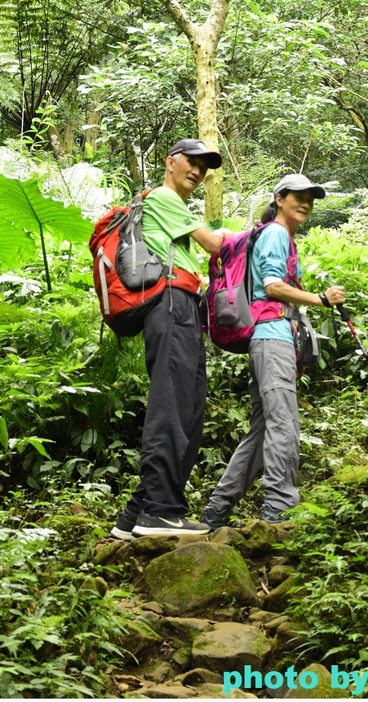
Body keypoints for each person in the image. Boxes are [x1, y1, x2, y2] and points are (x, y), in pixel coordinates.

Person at [201, 174, 346, 528]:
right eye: (298, 196)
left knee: (264, 427)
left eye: (310, 197)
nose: (306, 203)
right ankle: (279, 507)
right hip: (270, 338)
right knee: (284, 423)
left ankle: (217, 511)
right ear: (279, 198)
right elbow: (272, 286)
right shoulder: (277, 233)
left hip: (268, 339)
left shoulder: (276, 235)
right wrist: (320, 299)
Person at [111, 138, 227, 540]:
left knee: (186, 404)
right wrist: (265, 231)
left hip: (181, 305)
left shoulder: (167, 204)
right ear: (170, 162)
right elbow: (214, 244)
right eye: (191, 163)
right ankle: (161, 510)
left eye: (204, 167)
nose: (197, 171)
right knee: (173, 405)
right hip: (172, 303)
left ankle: (136, 515)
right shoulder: (163, 196)